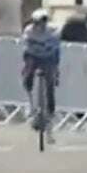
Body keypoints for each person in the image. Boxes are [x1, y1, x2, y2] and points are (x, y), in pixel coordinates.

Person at [21, 9, 60, 140]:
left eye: (43, 22)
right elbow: (26, 47)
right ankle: (31, 105)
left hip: (48, 58)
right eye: (38, 23)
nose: (40, 26)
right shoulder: (28, 31)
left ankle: (50, 112)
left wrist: (55, 68)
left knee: (50, 82)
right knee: (29, 71)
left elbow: (56, 49)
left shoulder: (52, 32)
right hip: (33, 57)